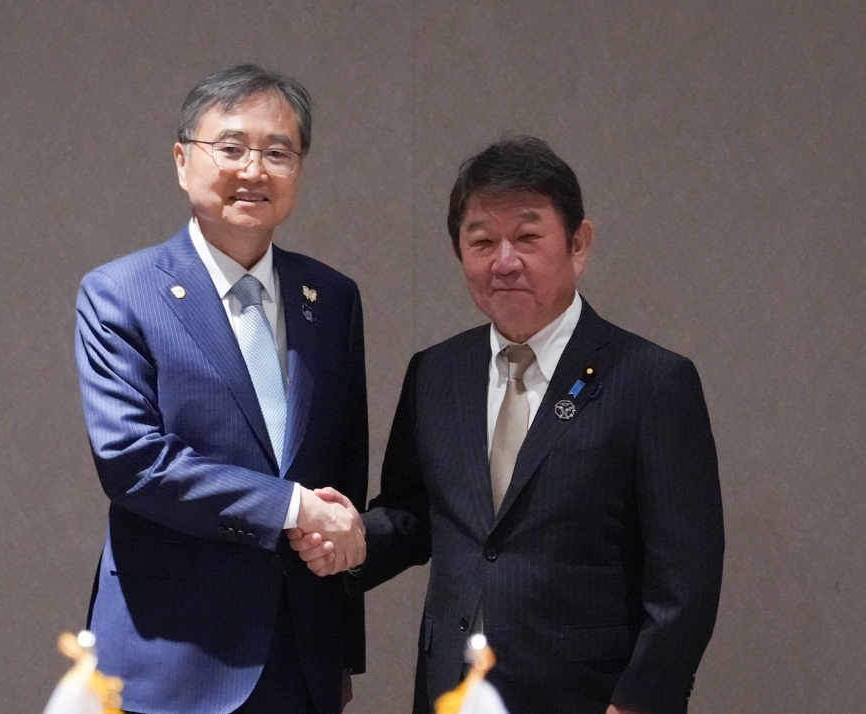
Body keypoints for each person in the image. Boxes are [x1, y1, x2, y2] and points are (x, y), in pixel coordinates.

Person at [291, 137, 724, 714]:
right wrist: (354, 538)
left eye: (527, 237)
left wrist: (640, 703)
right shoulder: (436, 372)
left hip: (588, 697)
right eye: (482, 242)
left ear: (578, 244)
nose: (504, 261)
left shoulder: (651, 381)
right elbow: (415, 514)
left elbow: (686, 583)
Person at [75, 64, 368, 714]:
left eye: (278, 153)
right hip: (171, 654)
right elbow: (133, 461)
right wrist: (291, 506)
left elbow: (344, 474)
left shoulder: (332, 298)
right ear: (183, 161)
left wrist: (341, 648)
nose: (254, 170)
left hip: (301, 653)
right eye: (231, 148)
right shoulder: (121, 294)